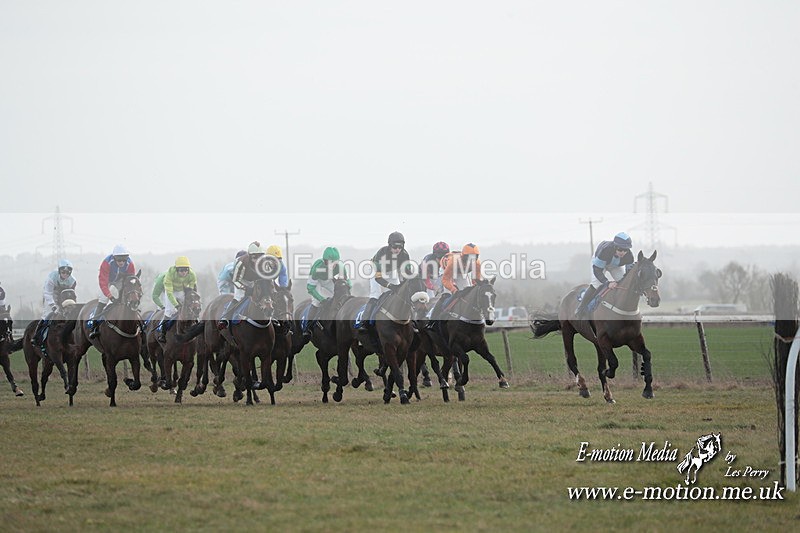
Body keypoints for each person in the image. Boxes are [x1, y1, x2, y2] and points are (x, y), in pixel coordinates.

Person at [359, 231, 414, 329]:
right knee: (375, 295)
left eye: (400, 247)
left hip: (391, 271)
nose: (397, 250)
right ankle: (364, 322)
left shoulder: (405, 255)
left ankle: (412, 322)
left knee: (399, 294)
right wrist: (390, 286)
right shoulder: (382, 253)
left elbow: (407, 274)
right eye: (395, 247)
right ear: (390, 245)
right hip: (376, 271)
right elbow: (378, 278)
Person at [574, 232, 635, 317]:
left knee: (623, 284)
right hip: (599, 265)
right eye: (620, 249)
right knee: (596, 284)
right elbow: (597, 270)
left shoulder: (629, 256)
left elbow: (629, 274)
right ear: (615, 246)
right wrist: (607, 283)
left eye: (625, 250)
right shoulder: (605, 250)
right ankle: (581, 308)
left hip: (615, 266)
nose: (623, 252)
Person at [89, 244, 137, 339]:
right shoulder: (106, 263)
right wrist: (110, 296)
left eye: (124, 260)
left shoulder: (130, 264)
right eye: (119, 260)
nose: (121, 262)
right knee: (103, 300)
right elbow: (103, 283)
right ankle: (94, 326)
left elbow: (131, 280)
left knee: (128, 298)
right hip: (107, 281)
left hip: (120, 281)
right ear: (114, 258)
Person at [428, 243, 483, 324]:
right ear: (463, 256)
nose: (471, 261)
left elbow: (476, 281)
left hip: (461, 273)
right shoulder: (453, 261)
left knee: (466, 293)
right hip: (446, 271)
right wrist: (453, 290)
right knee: (447, 295)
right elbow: (445, 280)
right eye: (469, 258)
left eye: (474, 258)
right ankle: (432, 318)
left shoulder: (477, 263)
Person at [217, 242, 266, 330]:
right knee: (238, 297)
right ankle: (225, 318)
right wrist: (245, 288)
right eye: (255, 257)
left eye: (260, 257)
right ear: (250, 256)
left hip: (254, 281)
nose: (257, 260)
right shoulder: (241, 263)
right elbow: (235, 280)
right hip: (241, 280)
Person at [305, 246, 350, 337]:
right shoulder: (317, 268)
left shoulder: (341, 267)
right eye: (331, 263)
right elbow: (310, 288)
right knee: (316, 302)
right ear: (325, 261)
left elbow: (348, 283)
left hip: (329, 280)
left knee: (341, 296)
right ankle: (307, 327)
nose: (334, 265)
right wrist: (322, 299)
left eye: (335, 263)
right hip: (316, 282)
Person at [33, 259, 77, 347]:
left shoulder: (73, 281)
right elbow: (47, 293)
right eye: (63, 272)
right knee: (47, 315)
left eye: (67, 272)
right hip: (51, 297)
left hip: (64, 299)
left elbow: (71, 294)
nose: (65, 274)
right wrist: (53, 306)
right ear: (59, 270)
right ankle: (36, 336)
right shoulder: (52, 277)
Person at [156, 256, 198, 342]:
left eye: (186, 270)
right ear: (177, 269)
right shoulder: (170, 274)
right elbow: (169, 293)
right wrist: (176, 305)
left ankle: (196, 326)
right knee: (169, 311)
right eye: (181, 270)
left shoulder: (192, 275)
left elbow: (191, 289)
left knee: (191, 308)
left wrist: (191, 299)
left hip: (182, 291)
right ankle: (162, 334)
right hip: (171, 292)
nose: (184, 272)